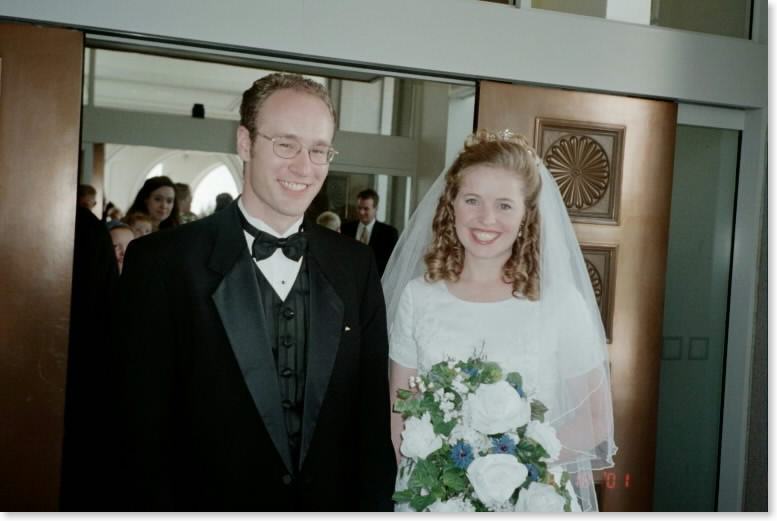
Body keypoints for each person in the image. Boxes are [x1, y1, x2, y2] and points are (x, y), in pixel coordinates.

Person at [113, 72, 396, 511]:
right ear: (245, 143)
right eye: (286, 145)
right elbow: (137, 428)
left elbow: (369, 418)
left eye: (319, 150)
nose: (305, 167)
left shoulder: (355, 265)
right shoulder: (163, 262)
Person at [384, 129, 617, 512]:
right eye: (472, 200)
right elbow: (401, 411)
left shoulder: (559, 302)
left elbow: (596, 420)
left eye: (505, 205)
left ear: (527, 215)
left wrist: (508, 473)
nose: (486, 218)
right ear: (451, 206)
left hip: (531, 498)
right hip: (437, 501)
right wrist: (443, 486)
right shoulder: (418, 296)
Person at [341, 188, 399, 276]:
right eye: (359, 208)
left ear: (376, 208)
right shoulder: (345, 229)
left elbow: (391, 264)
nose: (361, 212)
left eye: (366, 209)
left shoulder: (389, 233)